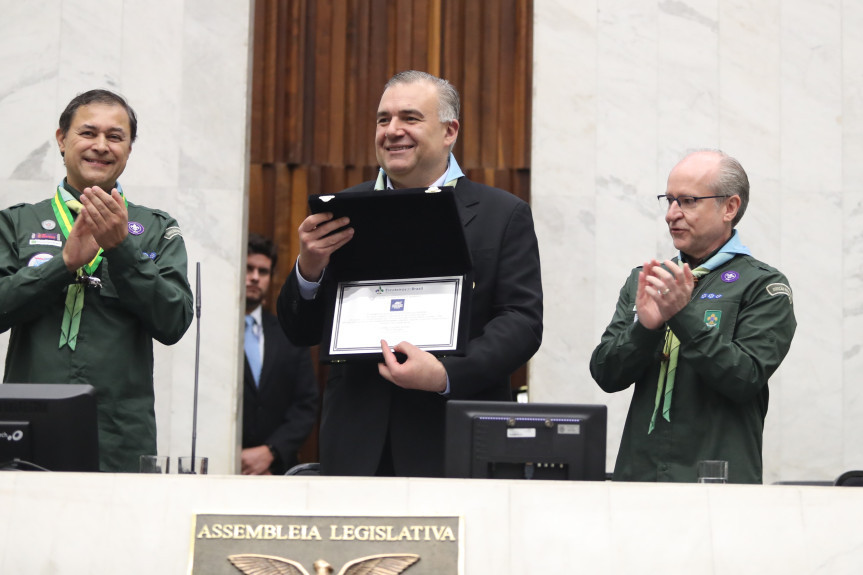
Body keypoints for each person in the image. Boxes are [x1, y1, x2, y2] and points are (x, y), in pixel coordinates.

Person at [277, 70, 543, 477]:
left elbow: (522, 322)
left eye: (410, 118)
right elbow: (300, 332)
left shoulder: (502, 215)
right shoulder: (342, 211)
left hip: (457, 443)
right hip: (356, 450)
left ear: (449, 131)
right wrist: (309, 269)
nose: (392, 131)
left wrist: (445, 375)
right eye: (383, 120)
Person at [0, 89, 193, 472]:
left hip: (120, 433)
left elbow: (174, 322)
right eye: (88, 133)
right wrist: (64, 264)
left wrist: (122, 250)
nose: (101, 146)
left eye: (115, 136)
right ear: (62, 139)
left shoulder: (156, 229)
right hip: (28, 422)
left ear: (129, 148)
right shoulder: (16, 223)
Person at [590, 150, 796, 484]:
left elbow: (744, 378)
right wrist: (645, 329)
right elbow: (606, 374)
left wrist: (682, 316)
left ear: (730, 207)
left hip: (717, 482)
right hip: (639, 478)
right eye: (669, 200)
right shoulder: (648, 280)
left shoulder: (763, 285)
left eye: (687, 201)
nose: (672, 214)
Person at [242, 233, 318, 475]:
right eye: (249, 268)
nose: (255, 277)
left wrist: (271, 451)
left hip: (276, 470)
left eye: (263, 272)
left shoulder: (288, 334)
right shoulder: (214, 331)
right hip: (219, 465)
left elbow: (306, 404)